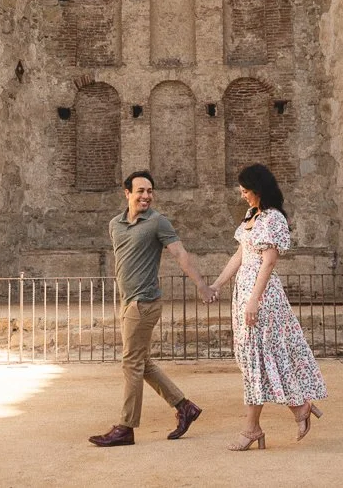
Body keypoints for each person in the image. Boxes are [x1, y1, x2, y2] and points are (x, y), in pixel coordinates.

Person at [88, 170, 214, 447]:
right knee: (142, 363)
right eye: (140, 191)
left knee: (131, 363)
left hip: (144, 302)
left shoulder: (158, 222)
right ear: (127, 194)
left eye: (150, 191)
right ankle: (184, 406)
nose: (146, 196)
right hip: (127, 301)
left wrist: (202, 286)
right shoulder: (115, 225)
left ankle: (125, 427)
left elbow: (180, 254)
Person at [208, 162, 328, 451]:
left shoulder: (273, 219)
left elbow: (269, 261)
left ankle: (252, 428)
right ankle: (297, 407)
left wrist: (254, 299)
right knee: (256, 357)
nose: (242, 195)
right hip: (246, 293)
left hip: (262, 297)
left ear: (259, 190)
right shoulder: (252, 216)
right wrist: (218, 284)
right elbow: (241, 255)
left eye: (246, 190)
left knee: (256, 357)